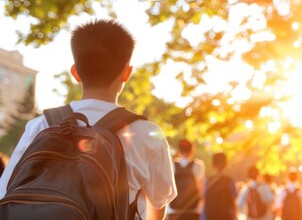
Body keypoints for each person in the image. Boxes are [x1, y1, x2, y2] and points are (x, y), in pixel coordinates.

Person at [0, 19, 177, 220]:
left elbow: (6, 192)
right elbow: (158, 205)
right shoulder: (146, 133)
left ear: (75, 72)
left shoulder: (39, 126)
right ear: (127, 73)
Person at [168, 139, 205, 220]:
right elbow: (200, 187)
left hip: (173, 209)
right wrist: (203, 201)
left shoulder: (171, 164)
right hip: (193, 208)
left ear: (179, 150)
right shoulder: (198, 165)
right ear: (192, 151)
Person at [203, 152, 238, 220]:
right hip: (227, 217)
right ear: (225, 164)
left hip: (211, 217)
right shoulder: (229, 181)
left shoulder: (208, 181)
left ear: (213, 164)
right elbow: (234, 201)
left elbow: (204, 200)